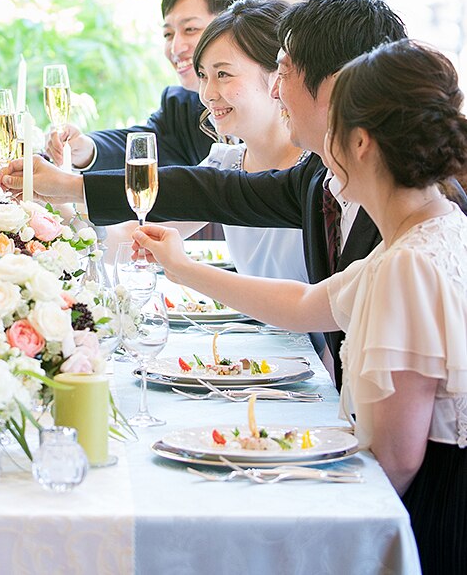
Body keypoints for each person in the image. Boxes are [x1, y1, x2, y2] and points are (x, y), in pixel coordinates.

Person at [133, 39, 467, 575]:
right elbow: (308, 303)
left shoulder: (409, 262)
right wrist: (185, 267)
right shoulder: (433, 228)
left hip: (432, 519)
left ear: (360, 143)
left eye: (332, 126)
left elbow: (397, 459)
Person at [1, 0, 426, 384]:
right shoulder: (317, 179)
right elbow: (208, 189)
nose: (277, 91)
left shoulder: (401, 203)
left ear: (337, 83)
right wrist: (71, 192)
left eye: (285, 72)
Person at [45, 0, 263, 170]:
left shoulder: (279, 115)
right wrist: (85, 149)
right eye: (168, 34)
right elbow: (140, 145)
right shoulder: (183, 106)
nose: (175, 48)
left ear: (234, 23)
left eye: (190, 30)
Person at [160, 0, 309, 282]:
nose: (208, 94)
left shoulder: (318, 171)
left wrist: (189, 271)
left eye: (223, 74)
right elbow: (142, 229)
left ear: (278, 74)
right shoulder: (225, 164)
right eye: (203, 75)